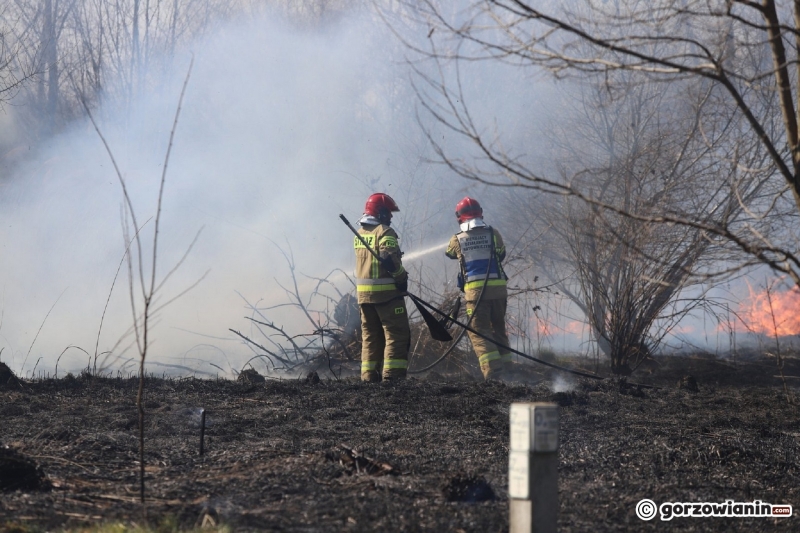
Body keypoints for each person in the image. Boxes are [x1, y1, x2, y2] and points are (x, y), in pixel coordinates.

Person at [445, 197, 512, 380]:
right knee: (499, 328)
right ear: (480, 212)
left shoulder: (457, 239)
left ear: (459, 217)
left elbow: (449, 253)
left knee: (479, 331)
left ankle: (494, 371)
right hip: (499, 292)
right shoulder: (493, 233)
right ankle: (509, 368)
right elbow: (501, 254)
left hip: (476, 294)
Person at [353, 193, 411, 382]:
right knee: (396, 334)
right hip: (387, 296)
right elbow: (389, 258)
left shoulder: (361, 233)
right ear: (381, 212)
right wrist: (401, 277)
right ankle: (392, 378)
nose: (391, 217)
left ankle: (368, 376)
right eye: (389, 212)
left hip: (364, 297)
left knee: (371, 336)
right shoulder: (385, 232)